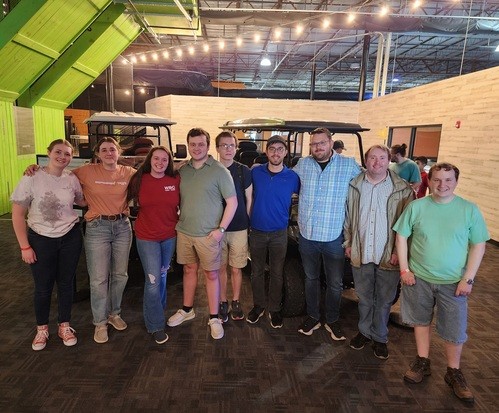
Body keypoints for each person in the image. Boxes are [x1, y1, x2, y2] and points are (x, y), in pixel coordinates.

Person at [394, 162, 489, 404]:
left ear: (456, 182)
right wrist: (405, 269)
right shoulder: (417, 207)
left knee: (454, 330)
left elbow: (478, 245)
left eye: (448, 180)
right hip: (419, 278)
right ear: (429, 180)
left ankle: (453, 371)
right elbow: (401, 236)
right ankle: (422, 361)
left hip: (454, 282)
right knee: (420, 321)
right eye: (436, 179)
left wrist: (468, 278)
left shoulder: (469, 210)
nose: (442, 185)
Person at [12, 139, 86, 350]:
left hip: (70, 236)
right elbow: (18, 215)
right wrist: (24, 246)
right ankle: (42, 329)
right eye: (58, 152)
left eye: (67, 154)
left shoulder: (71, 178)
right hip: (40, 238)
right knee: (43, 287)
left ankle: (64, 325)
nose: (62, 157)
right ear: (49, 153)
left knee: (66, 284)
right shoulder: (32, 176)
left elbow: (82, 201)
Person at [343, 145, 414, 359]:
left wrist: (398, 252)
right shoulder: (354, 185)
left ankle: (380, 337)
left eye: (382, 158)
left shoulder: (402, 189)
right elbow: (348, 217)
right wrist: (349, 242)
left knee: (384, 300)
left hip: (388, 254)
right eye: (372, 158)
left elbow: (408, 225)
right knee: (364, 298)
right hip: (361, 250)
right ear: (366, 160)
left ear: (388, 160)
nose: (377, 162)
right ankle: (364, 332)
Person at [167, 128, 237, 340]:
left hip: (209, 235)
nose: (196, 148)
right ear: (188, 145)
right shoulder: (183, 170)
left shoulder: (219, 171)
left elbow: (232, 203)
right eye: (193, 144)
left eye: (201, 144)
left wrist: (221, 230)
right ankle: (187, 310)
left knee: (211, 274)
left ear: (208, 146)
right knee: (189, 270)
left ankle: (214, 317)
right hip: (185, 231)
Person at [294, 127, 360, 340]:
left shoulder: (348, 165)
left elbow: (368, 183)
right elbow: (286, 179)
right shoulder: (303, 165)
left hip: (333, 236)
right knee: (310, 278)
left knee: (335, 283)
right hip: (307, 234)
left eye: (322, 143)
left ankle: (332, 319)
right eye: (314, 144)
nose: (318, 147)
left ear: (331, 143)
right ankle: (313, 316)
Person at [73, 137, 136, 343]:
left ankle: (114, 314)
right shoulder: (86, 171)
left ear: (119, 152)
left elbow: (153, 173)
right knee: (99, 279)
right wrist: (35, 170)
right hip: (97, 227)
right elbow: (60, 175)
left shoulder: (129, 172)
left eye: (112, 149)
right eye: (104, 150)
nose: (109, 153)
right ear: (98, 154)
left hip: (122, 227)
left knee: (120, 275)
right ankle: (100, 322)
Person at [127, 146, 180, 344]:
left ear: (169, 162)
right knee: (153, 281)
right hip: (147, 237)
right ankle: (156, 325)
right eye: (156, 158)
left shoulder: (175, 180)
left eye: (164, 159)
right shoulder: (139, 179)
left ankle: (157, 309)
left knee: (163, 275)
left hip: (169, 236)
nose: (160, 163)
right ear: (150, 160)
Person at [247, 135, 300, 328]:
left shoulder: (293, 177)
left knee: (277, 272)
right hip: (257, 231)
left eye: (280, 149)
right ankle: (258, 306)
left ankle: (274, 308)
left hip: (279, 233)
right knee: (256, 272)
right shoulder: (255, 172)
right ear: (266, 151)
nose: (276, 153)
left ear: (285, 152)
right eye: (272, 149)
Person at [215, 131, 252, 322]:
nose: (228, 149)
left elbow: (249, 199)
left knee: (237, 268)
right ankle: (223, 301)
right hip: (216, 228)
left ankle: (236, 301)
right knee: (220, 268)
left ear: (236, 148)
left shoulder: (243, 170)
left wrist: (247, 223)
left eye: (231, 145)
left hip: (239, 228)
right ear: (217, 148)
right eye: (224, 145)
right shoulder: (211, 170)